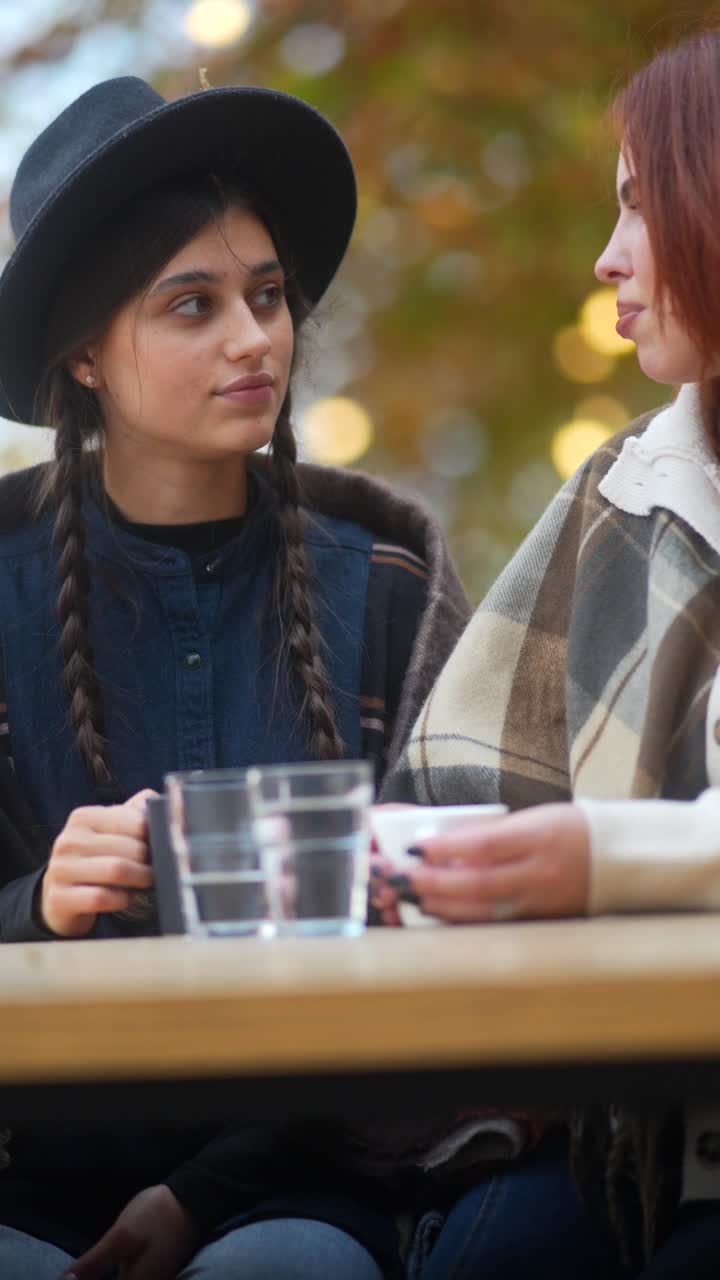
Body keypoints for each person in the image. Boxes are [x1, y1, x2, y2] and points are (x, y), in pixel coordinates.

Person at [0, 76, 471, 1279]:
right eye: (192, 305)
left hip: (312, 1181)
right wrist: (38, 903)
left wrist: (203, 1191)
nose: (254, 337)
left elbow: (440, 939)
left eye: (266, 295)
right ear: (85, 357)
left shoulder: (390, 591)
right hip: (29, 1174)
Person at [383, 26, 720, 1278]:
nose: (606, 256)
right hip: (617, 1115)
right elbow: (449, 788)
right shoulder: (627, 487)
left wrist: (598, 853)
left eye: (640, 205)